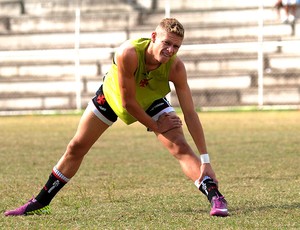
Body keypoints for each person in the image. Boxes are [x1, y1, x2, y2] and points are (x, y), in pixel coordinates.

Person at [4, 18, 228, 217]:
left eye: (176, 46)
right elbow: (127, 102)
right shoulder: (128, 53)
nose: (170, 50)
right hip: (113, 98)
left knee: (179, 146)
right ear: (153, 37)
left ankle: (214, 195)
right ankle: (40, 202)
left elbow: (190, 113)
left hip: (150, 101)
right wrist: (156, 126)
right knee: (76, 147)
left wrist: (206, 160)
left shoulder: (176, 67)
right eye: (166, 43)